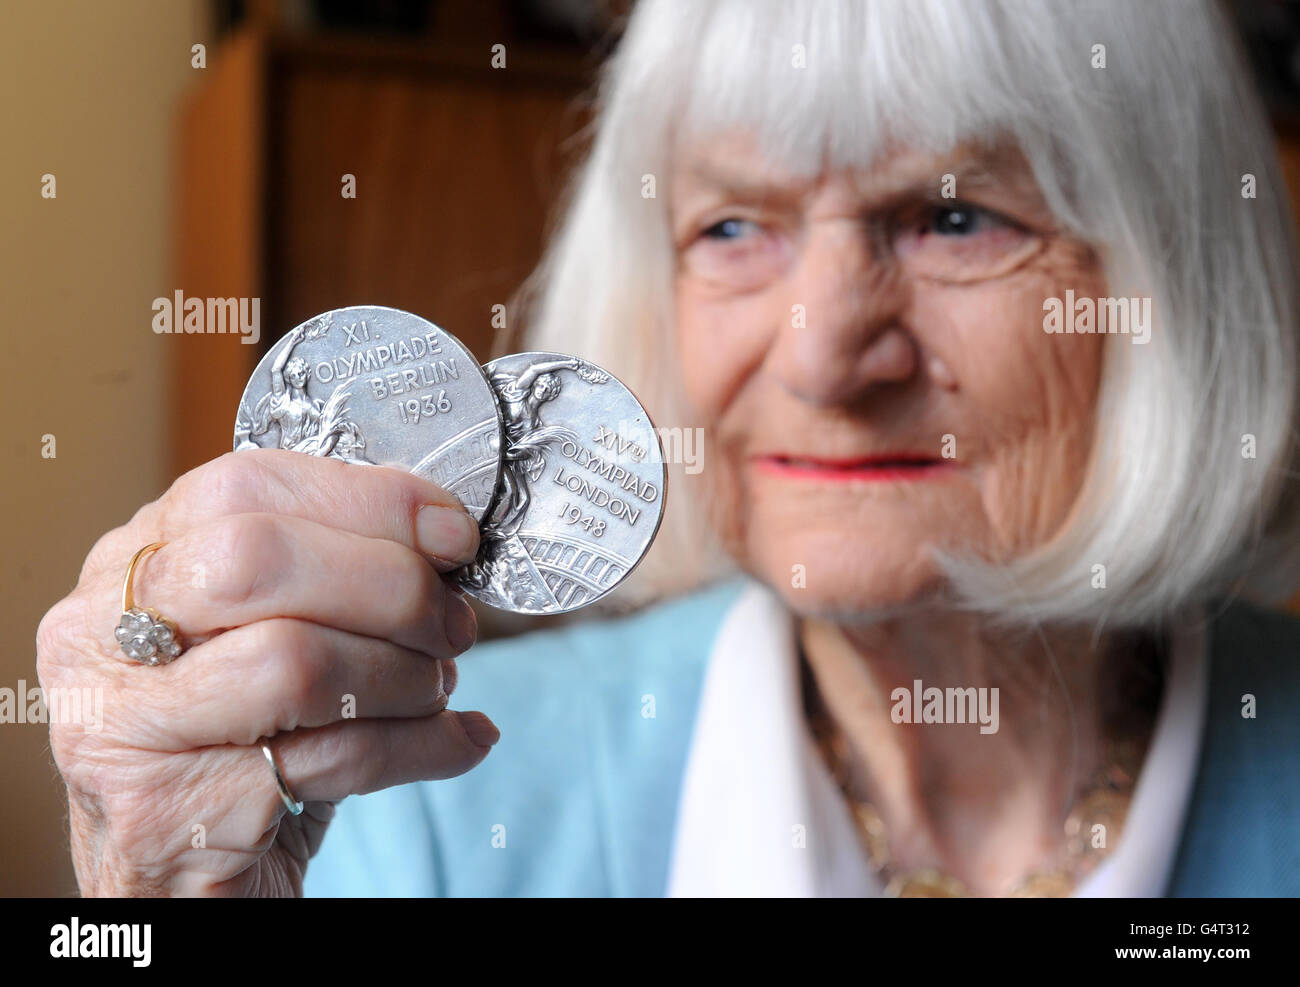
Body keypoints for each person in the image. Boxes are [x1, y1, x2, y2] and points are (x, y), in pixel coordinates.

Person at [37, 0, 1300, 897]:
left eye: (953, 219)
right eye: (736, 226)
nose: (819, 360)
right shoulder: (418, 785)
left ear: (1164, 291)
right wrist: (154, 898)